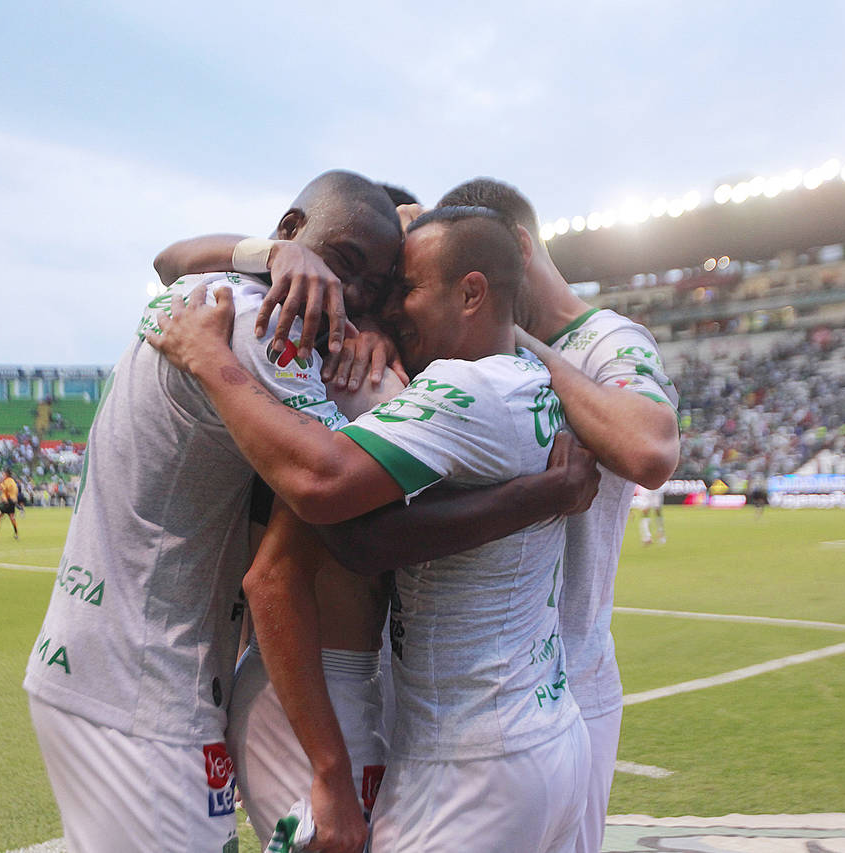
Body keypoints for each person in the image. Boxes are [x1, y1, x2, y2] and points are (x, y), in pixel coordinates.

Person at [150, 206, 590, 852]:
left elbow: (339, 505)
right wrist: (543, 495)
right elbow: (317, 557)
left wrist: (208, 357)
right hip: (538, 735)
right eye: (389, 289)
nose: (397, 309)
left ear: (470, 292)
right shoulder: (527, 381)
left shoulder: (446, 388)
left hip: (468, 754)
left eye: (404, 287)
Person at [22, 170, 405, 853]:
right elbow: (323, 481)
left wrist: (297, 270)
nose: (348, 296)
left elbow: (171, 257)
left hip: (111, 668)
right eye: (341, 263)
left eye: (373, 291)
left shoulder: (201, 293)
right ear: (291, 231)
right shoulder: (264, 326)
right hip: (145, 695)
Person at [437, 178, 681, 853]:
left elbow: (651, 446)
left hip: (573, 683)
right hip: (467, 693)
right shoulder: (466, 341)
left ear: (518, 247)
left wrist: (526, 349)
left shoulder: (606, 339)